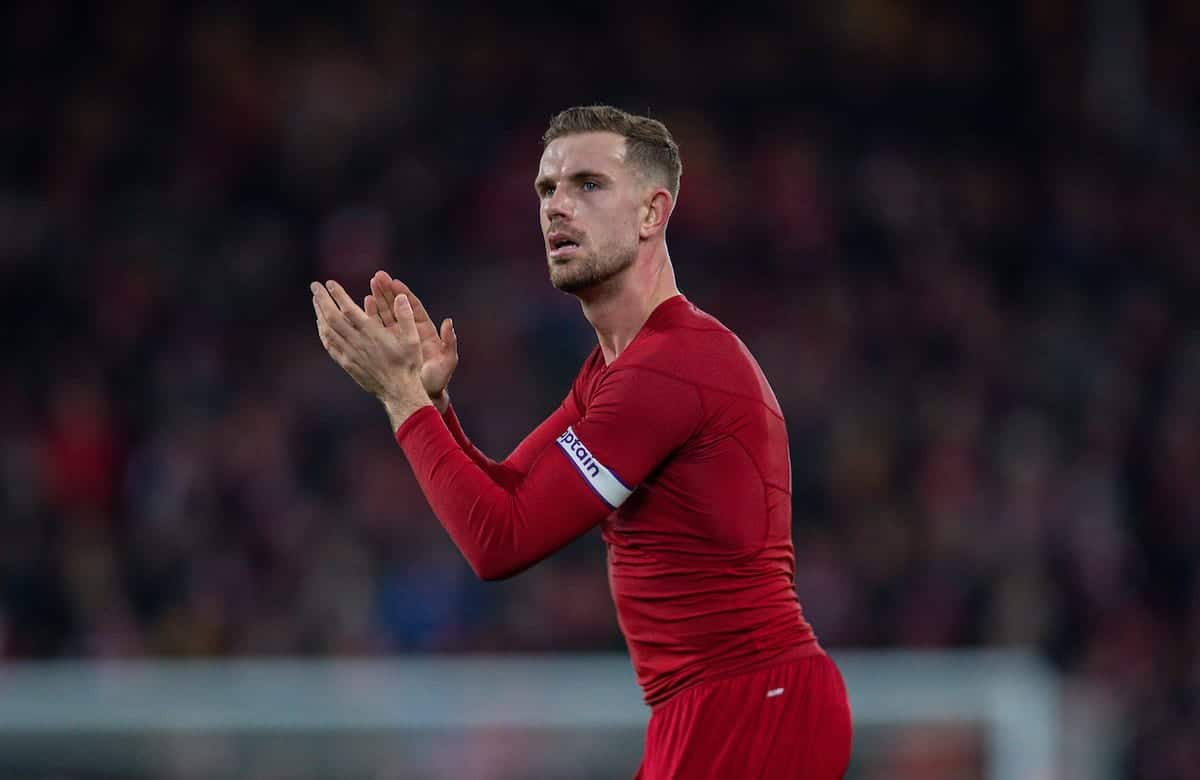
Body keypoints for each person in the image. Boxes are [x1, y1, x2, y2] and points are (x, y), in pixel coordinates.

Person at [310, 105, 852, 779]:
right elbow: (506, 496)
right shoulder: (617, 371)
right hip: (711, 709)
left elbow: (499, 543)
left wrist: (401, 400)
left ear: (652, 213)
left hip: (753, 704)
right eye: (546, 189)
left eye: (588, 185)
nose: (557, 207)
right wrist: (435, 405)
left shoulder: (673, 367)